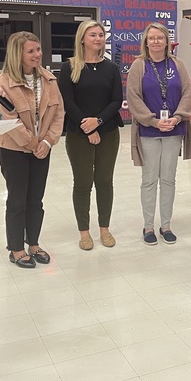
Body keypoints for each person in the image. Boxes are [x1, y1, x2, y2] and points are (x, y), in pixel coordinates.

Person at [0, 32, 64, 268]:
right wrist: (32, 143)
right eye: (31, 51)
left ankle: (33, 243)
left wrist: (47, 142)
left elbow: (58, 114)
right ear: (18, 54)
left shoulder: (49, 80)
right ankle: (16, 248)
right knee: (17, 200)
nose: (37, 55)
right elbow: (9, 118)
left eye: (38, 49)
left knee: (36, 199)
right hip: (14, 150)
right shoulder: (4, 82)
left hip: (42, 148)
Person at [127, 22, 191, 245]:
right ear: (146, 42)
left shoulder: (178, 64)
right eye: (152, 38)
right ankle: (148, 225)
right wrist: (154, 121)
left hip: (174, 130)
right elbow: (134, 97)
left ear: (167, 41)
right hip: (148, 131)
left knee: (168, 179)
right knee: (149, 179)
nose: (156, 41)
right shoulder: (139, 65)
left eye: (160, 37)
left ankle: (165, 224)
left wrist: (177, 117)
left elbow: (187, 92)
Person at [58, 21, 124, 251]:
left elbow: (116, 100)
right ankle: (84, 232)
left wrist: (99, 122)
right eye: (93, 34)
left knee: (105, 181)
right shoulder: (69, 68)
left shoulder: (111, 68)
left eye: (101, 34)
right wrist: (88, 127)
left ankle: (104, 229)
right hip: (78, 133)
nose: (98, 38)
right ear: (82, 39)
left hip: (108, 132)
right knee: (83, 183)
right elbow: (67, 102)